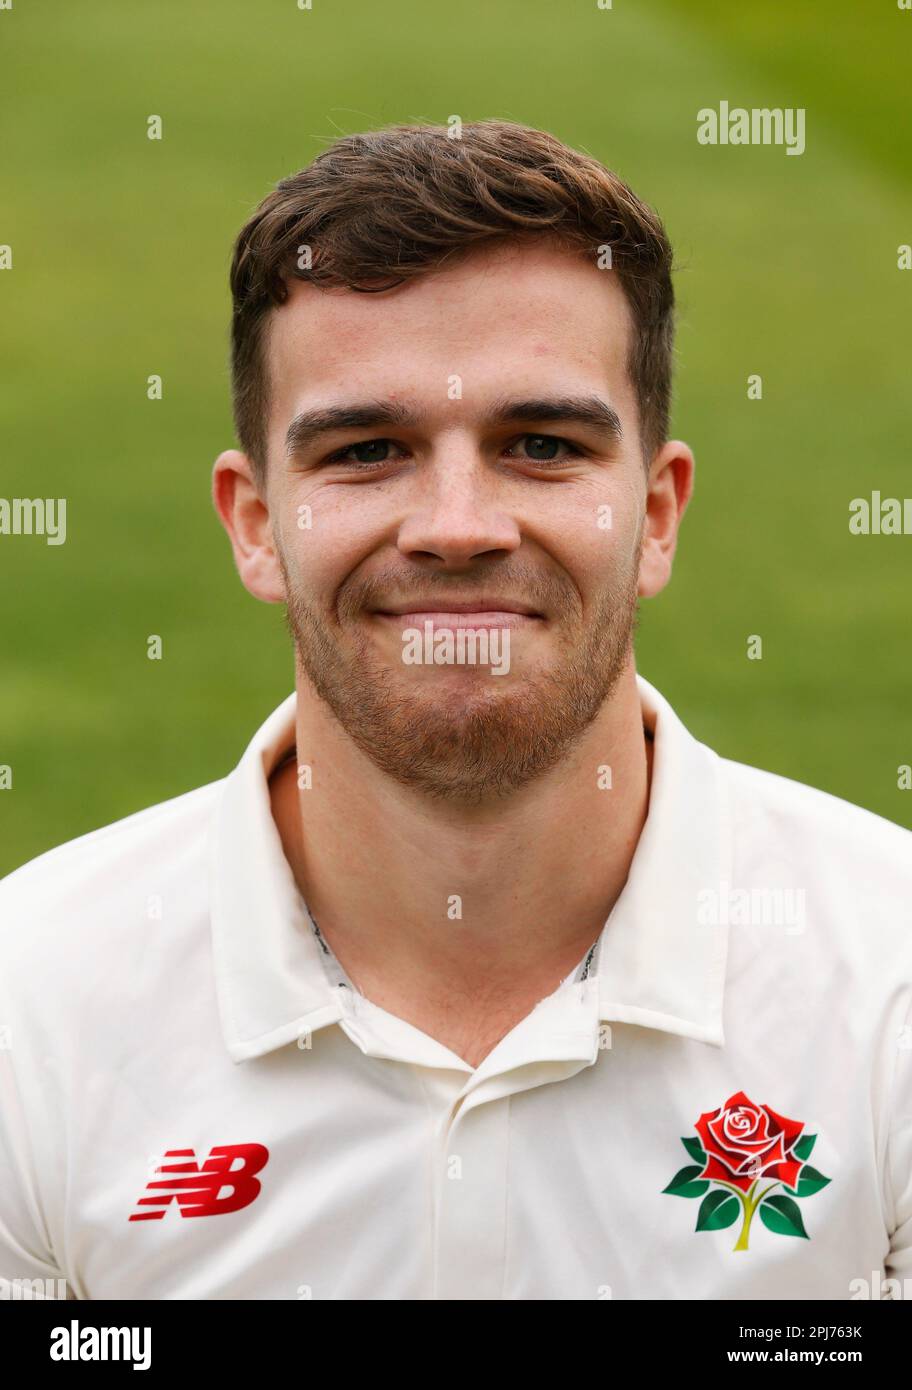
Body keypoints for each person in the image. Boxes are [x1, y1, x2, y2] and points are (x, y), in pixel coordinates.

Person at [1, 120, 909, 1302]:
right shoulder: (31, 1007)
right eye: (367, 450)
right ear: (256, 524)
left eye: (541, 444)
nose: (458, 527)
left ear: (658, 514)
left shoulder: (889, 981)